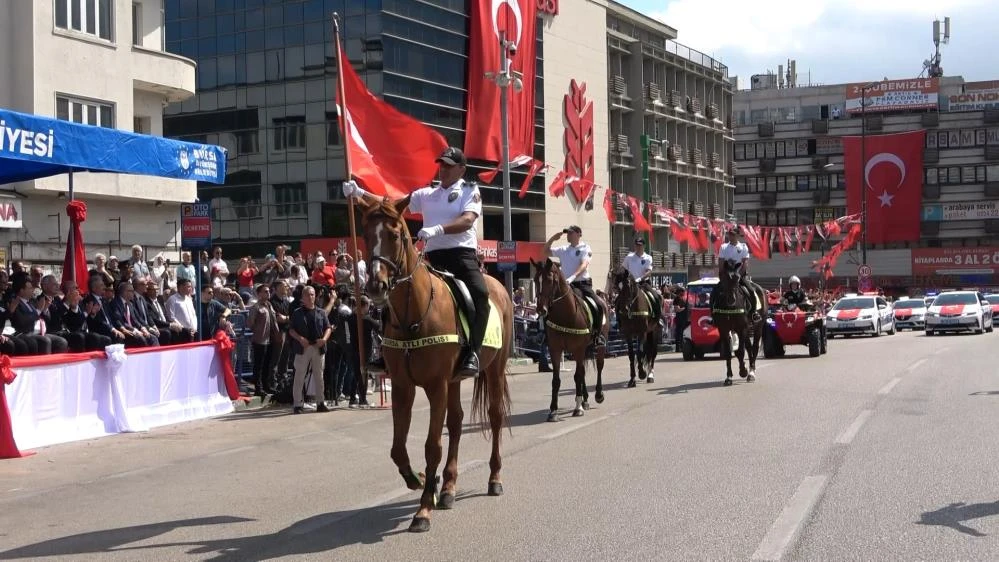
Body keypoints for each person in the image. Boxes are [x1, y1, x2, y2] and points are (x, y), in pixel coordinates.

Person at [343, 146, 488, 378]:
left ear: (462, 169)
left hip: (461, 257)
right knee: (394, 294)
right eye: (442, 165)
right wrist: (359, 192)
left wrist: (437, 229)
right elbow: (390, 204)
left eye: (449, 166)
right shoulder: (427, 194)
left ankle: (473, 351)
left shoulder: (469, 190)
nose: (443, 170)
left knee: (480, 295)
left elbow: (467, 220)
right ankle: (387, 349)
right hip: (432, 258)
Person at [544, 225, 605, 346]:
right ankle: (547, 335)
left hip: (582, 284)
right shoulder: (563, 249)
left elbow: (584, 265)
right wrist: (553, 239)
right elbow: (545, 251)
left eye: (571, 233)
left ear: (579, 234)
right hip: (565, 286)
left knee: (598, 305)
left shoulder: (585, 248)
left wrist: (572, 277)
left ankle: (598, 335)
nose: (568, 235)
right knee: (548, 305)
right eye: (568, 233)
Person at [289, 286, 332, 414]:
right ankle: (297, 404)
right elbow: (291, 330)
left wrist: (324, 339)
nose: (310, 297)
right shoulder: (297, 313)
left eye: (312, 294)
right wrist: (300, 338)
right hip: (303, 347)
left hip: (318, 347)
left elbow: (328, 327)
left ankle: (320, 403)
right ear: (303, 297)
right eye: (307, 295)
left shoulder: (321, 312)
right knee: (299, 376)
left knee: (319, 376)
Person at [717, 227, 761, 322]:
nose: (731, 236)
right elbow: (721, 263)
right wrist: (722, 275)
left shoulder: (743, 247)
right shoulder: (723, 247)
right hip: (727, 276)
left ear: (737, 236)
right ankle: (713, 314)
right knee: (715, 291)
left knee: (751, 291)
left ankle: (754, 312)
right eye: (729, 234)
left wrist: (738, 276)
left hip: (740, 275)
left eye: (733, 234)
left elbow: (745, 263)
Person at [620, 237, 662, 322]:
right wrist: (621, 279)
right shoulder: (629, 257)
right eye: (636, 245)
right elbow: (623, 269)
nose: (638, 247)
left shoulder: (648, 258)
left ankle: (658, 319)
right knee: (619, 299)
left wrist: (639, 279)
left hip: (643, 284)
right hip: (631, 285)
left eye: (640, 245)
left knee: (656, 297)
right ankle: (619, 319)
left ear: (644, 246)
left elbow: (648, 272)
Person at [247, 284, 278, 396]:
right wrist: (258, 330)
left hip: (270, 339)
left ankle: (266, 385)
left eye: (269, 291)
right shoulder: (256, 307)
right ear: (259, 294)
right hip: (260, 340)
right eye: (265, 291)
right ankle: (258, 388)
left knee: (267, 364)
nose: (268, 293)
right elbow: (250, 323)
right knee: (258, 365)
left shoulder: (269, 305)